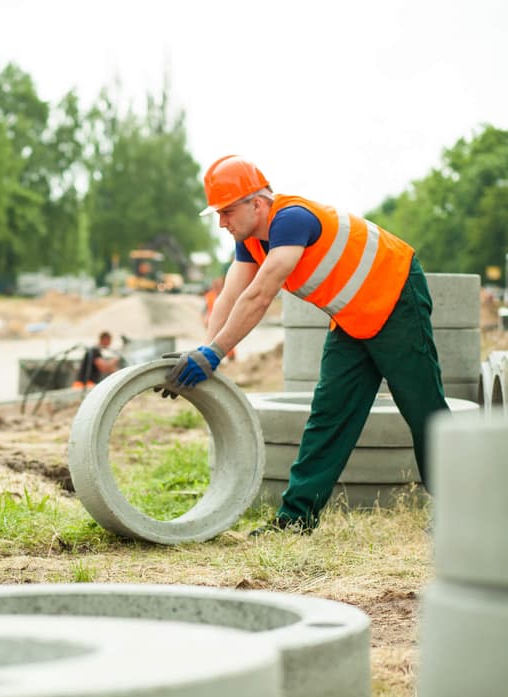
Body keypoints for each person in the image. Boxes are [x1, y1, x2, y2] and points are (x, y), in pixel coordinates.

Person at [160, 155, 448, 534]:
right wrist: (204, 349)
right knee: (328, 415)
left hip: (396, 297)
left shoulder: (292, 220)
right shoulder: (252, 242)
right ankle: (296, 519)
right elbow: (232, 293)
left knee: (423, 407)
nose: (221, 222)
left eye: (227, 211)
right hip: (351, 316)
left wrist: (213, 355)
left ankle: (457, 507)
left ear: (257, 204)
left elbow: (260, 295)